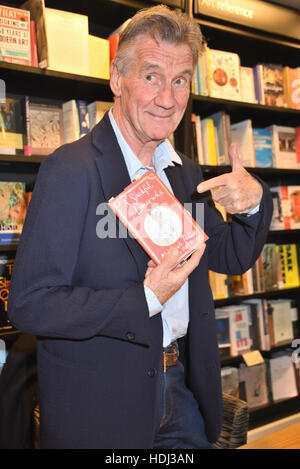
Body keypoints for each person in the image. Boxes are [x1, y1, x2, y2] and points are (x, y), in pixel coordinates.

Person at [8, 5, 272, 449]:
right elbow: (30, 305)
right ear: (117, 79)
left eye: (181, 79)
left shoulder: (184, 172)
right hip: (101, 405)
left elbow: (231, 256)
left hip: (182, 391)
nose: (167, 98)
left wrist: (253, 202)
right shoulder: (70, 170)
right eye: (151, 76)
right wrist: (145, 298)